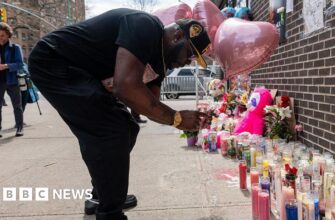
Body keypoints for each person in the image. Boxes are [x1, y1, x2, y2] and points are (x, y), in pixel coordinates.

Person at [28, 8, 210, 220]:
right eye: (189, 54)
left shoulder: (160, 61)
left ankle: (103, 195)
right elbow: (126, 87)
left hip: (82, 73)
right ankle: (110, 212)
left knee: (127, 128)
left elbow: (149, 102)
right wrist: (176, 118)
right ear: (177, 36)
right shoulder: (146, 26)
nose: (188, 62)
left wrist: (179, 119)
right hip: (54, 61)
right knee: (111, 131)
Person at [0, 22, 24, 137]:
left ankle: (19, 128)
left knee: (17, 106)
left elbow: (20, 64)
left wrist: (6, 66)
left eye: (2, 36)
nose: (0, 38)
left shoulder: (15, 48)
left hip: (12, 81)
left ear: (8, 35)